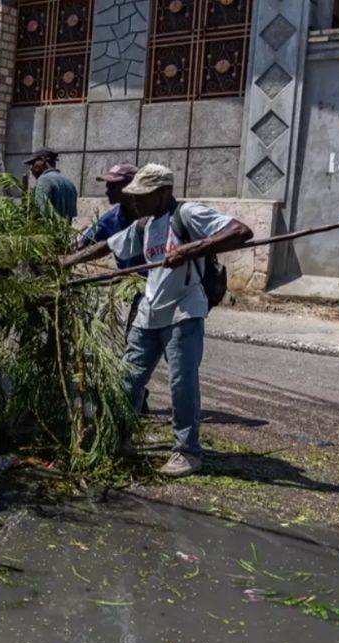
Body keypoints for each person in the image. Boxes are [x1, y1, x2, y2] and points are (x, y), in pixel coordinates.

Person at [59, 164, 252, 477]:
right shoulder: (144, 225)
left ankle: (188, 452)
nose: (135, 202)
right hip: (150, 311)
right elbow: (106, 245)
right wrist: (67, 261)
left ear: (162, 193)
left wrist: (192, 249)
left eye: (142, 196)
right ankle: (119, 437)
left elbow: (241, 231)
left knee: (181, 381)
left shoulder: (187, 215)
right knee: (128, 380)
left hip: (184, 311)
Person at [78, 163, 150, 414]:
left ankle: (136, 397)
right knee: (134, 345)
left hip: (163, 291)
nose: (107, 190)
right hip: (135, 290)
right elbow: (84, 244)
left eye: (112, 185)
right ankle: (136, 399)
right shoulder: (113, 218)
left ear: (130, 186)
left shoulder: (154, 215)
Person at [25, 148, 78, 220]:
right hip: (65, 230)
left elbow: (41, 213)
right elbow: (71, 215)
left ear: (43, 161)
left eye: (33, 163)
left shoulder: (44, 180)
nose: (31, 169)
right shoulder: (69, 183)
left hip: (46, 230)